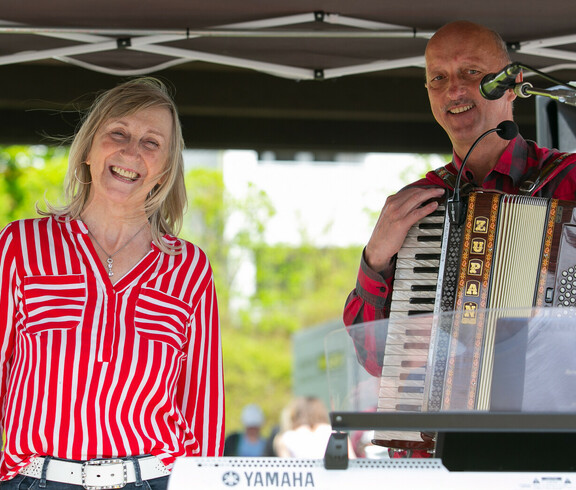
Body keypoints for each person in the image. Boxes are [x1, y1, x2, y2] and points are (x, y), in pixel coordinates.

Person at [0, 78, 225, 489]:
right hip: (37, 480)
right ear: (88, 149)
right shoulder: (21, 245)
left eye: (151, 142)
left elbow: (203, 403)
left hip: (153, 479)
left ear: (165, 170)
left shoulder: (189, 268)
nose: (131, 152)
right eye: (117, 133)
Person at [344, 20, 576, 377]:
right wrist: (375, 258)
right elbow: (378, 360)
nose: (454, 90)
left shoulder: (569, 179)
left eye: (472, 72)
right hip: (452, 425)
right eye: (438, 78)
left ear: (513, 86)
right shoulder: (418, 203)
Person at [274, 397, 355, 459]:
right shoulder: (338, 434)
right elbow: (354, 466)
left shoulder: (284, 439)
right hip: (334, 479)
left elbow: (286, 470)